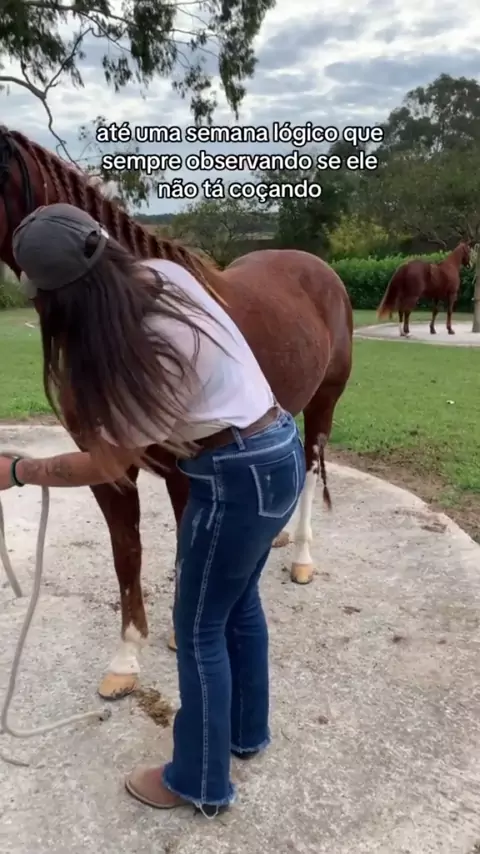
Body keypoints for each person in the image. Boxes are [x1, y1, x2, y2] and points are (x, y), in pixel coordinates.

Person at [0, 203, 306, 816]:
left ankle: (199, 782)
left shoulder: (144, 348)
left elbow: (107, 465)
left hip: (233, 477)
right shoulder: (168, 276)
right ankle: (245, 732)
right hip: (278, 448)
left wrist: (17, 471)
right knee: (239, 603)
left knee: (197, 630)